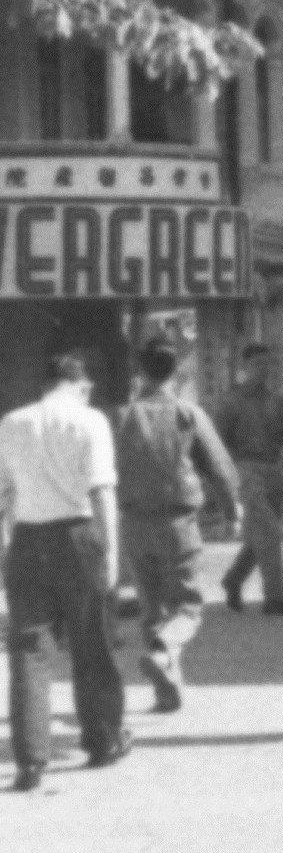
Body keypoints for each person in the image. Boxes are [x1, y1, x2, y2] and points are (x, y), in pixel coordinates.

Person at [0, 351, 129, 789]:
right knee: (92, 643)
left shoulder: (12, 422)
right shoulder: (91, 421)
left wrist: (6, 542)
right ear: (80, 384)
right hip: (78, 536)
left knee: (28, 652)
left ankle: (30, 761)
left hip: (26, 539)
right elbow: (102, 491)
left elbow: (5, 491)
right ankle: (102, 740)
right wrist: (111, 553)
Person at [116, 337, 243, 714]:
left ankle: (167, 690)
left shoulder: (122, 415)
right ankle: (166, 650)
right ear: (177, 372)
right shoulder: (188, 413)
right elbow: (219, 467)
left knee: (151, 609)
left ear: (140, 371)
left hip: (134, 524)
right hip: (178, 521)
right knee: (186, 608)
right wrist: (233, 509)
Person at [215, 343, 283, 616]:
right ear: (245, 368)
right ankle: (275, 599)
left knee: (261, 537)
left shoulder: (277, 401)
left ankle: (234, 579)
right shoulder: (230, 401)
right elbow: (216, 442)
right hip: (244, 469)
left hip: (272, 471)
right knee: (269, 532)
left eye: (268, 364)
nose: (264, 370)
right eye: (257, 364)